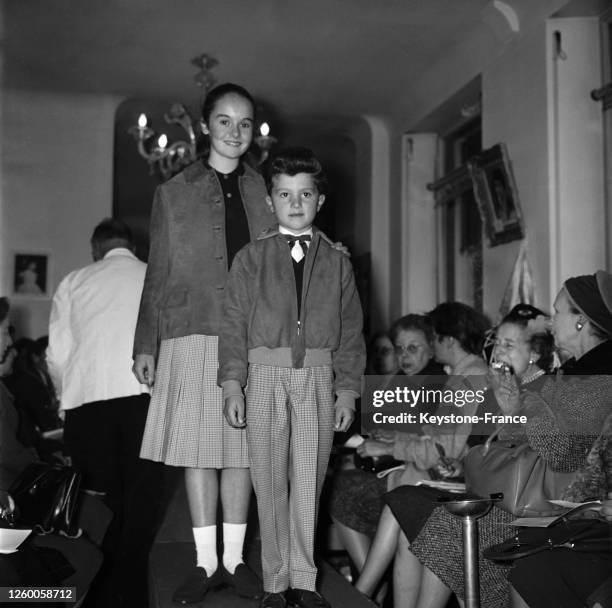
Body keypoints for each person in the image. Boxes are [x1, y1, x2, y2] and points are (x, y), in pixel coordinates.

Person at [389, 271, 612, 608]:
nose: (550, 321)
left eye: (558, 311)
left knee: (452, 526)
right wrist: (511, 407)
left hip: (565, 512)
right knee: (438, 518)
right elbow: (517, 439)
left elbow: (563, 452)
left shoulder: (599, 374)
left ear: (580, 320)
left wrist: (521, 398)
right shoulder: (576, 368)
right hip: (542, 500)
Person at [132, 83, 272, 604]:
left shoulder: (268, 191)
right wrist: (146, 343)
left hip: (253, 336)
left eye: (243, 123)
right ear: (205, 128)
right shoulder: (174, 192)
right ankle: (204, 561)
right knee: (198, 451)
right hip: (189, 331)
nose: (234, 133)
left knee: (241, 452)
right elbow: (157, 274)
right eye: (224, 122)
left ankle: (235, 561)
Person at [218, 147, 366, 608]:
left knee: (309, 482)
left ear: (320, 201)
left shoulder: (338, 262)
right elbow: (233, 323)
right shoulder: (250, 258)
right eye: (285, 194)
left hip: (318, 381)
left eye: (305, 194)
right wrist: (231, 382)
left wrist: (347, 391)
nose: (295, 203)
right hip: (263, 376)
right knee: (268, 481)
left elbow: (352, 330)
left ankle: (304, 579)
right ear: (270, 200)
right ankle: (275, 582)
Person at [47, 218, 160, 608]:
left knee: (97, 510)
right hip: (146, 402)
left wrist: (67, 405)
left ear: (95, 249)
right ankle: (135, 597)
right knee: (142, 510)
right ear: (133, 247)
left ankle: (96, 597)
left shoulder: (75, 281)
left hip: (89, 404)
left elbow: (57, 355)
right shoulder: (153, 275)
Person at [0, 297, 103, 607]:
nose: (10, 340)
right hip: (9, 505)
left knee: (86, 541)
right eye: (5, 330)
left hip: (10, 499)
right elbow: (9, 458)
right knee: (83, 557)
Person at [329, 314, 444, 577]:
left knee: (345, 492)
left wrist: (386, 442)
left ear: (432, 346)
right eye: (400, 348)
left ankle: (369, 586)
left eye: (413, 347)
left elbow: (431, 442)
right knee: (344, 485)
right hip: (395, 468)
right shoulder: (403, 381)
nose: (405, 355)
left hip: (419, 475)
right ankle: (369, 583)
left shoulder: (436, 381)